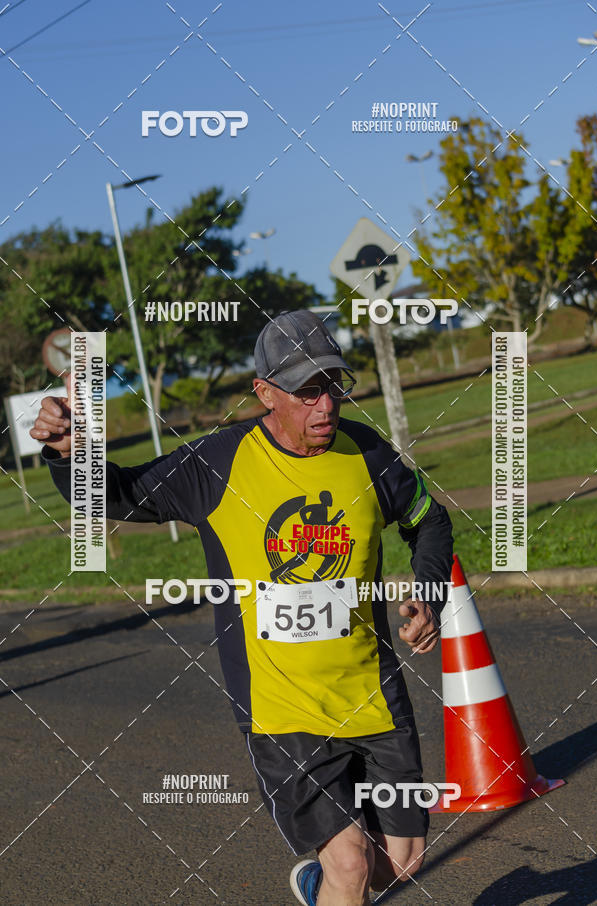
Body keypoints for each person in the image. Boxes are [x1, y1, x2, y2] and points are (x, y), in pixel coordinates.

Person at [31, 310, 453, 905]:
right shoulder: (217, 464)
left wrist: (427, 593)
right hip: (282, 709)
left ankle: (317, 885)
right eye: (307, 392)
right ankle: (333, 879)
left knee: (402, 861)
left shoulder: (367, 453)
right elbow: (117, 495)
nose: (325, 406)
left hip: (372, 694)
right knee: (352, 866)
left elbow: (427, 519)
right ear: (265, 394)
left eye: (332, 386)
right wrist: (69, 453)